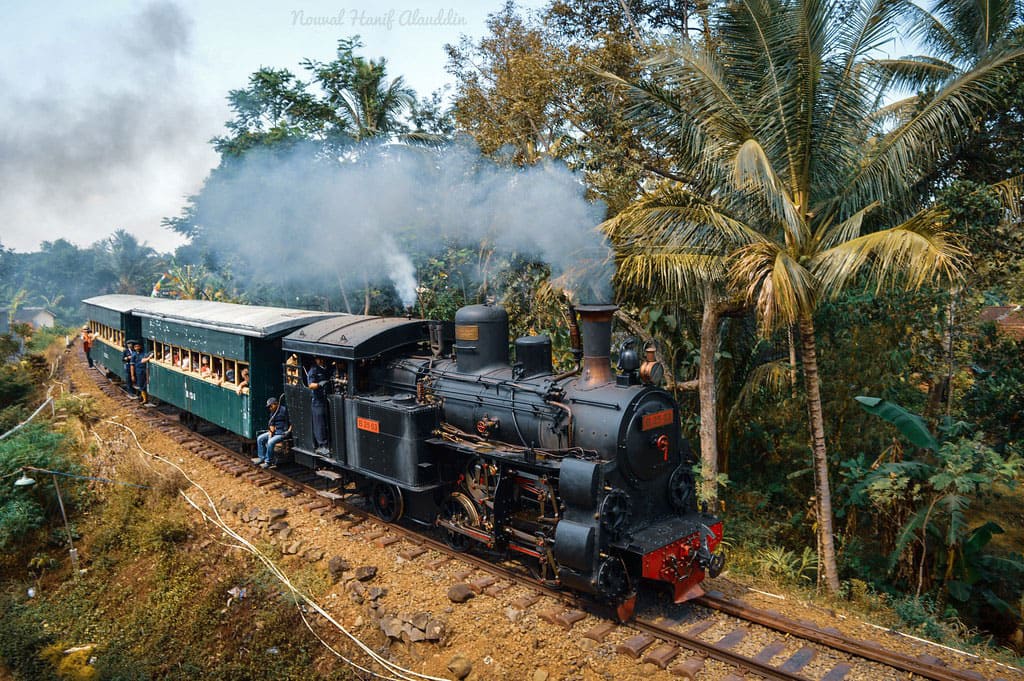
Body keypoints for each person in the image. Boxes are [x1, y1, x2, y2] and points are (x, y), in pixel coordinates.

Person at [253, 397, 290, 468]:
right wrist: (270, 435)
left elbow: (291, 422)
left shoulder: (284, 410)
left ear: (276, 404)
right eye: (269, 407)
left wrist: (288, 431)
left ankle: (268, 461)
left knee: (270, 442)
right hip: (275, 432)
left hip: (282, 433)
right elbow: (271, 426)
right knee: (260, 438)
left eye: (271, 406)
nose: (270, 408)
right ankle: (262, 458)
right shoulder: (272, 413)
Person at [306, 356, 332, 455]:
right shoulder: (313, 370)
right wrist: (319, 384)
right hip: (318, 400)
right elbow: (310, 385)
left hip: (327, 399)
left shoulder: (327, 368)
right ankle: (322, 446)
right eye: (318, 358)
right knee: (319, 423)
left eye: (321, 358)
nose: (321, 360)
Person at [130, 341, 154, 406]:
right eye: (135, 346)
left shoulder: (144, 353)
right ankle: (144, 399)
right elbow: (132, 365)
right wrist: (132, 375)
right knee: (141, 384)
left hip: (145, 369)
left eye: (138, 346)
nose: (137, 348)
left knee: (146, 383)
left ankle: (146, 398)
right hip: (138, 370)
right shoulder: (134, 355)